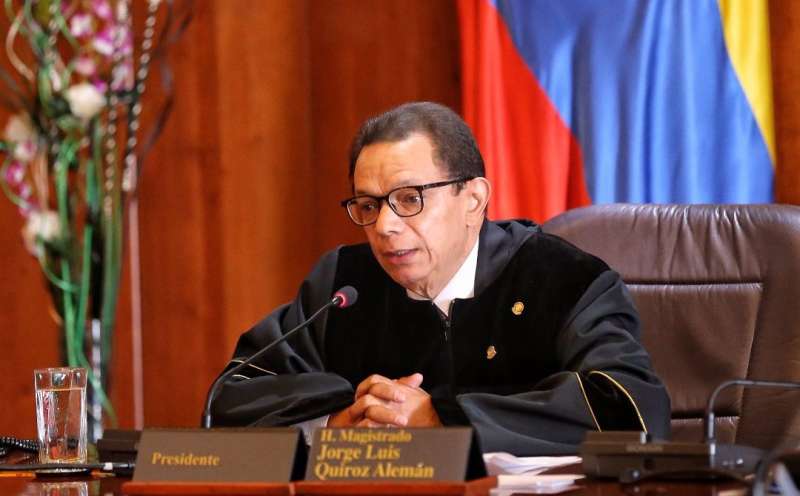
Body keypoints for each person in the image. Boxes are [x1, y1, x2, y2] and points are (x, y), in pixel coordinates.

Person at [208, 101, 671, 454]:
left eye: (410, 199)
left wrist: (443, 420)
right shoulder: (344, 284)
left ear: (473, 200)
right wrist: (337, 421)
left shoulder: (563, 281)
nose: (385, 226)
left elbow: (629, 406)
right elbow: (232, 397)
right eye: (368, 205)